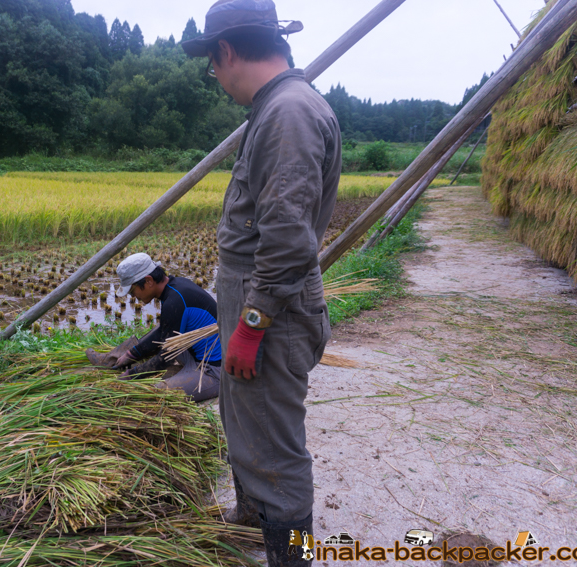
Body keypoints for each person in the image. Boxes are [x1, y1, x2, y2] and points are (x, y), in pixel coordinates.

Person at [181, 1, 340, 565]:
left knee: (277, 451)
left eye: (212, 64)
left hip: (270, 321)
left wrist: (249, 327)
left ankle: (289, 557)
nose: (216, 77)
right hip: (259, 314)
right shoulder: (276, 108)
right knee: (246, 426)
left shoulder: (288, 113)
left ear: (226, 52)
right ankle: (253, 521)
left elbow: (288, 239)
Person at [111, 252, 222, 402]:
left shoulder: (175, 301)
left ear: (149, 281)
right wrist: (132, 354)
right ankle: (112, 358)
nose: (133, 296)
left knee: (155, 394)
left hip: (213, 370)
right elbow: (164, 332)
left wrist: (132, 374)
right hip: (192, 352)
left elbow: (166, 358)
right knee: (161, 327)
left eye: (132, 290)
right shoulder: (175, 286)